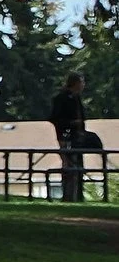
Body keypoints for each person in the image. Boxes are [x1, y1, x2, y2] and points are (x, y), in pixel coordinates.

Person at [48, 73, 99, 202]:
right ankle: (68, 196)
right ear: (75, 83)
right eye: (81, 82)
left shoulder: (76, 98)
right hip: (66, 136)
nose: (83, 85)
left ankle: (78, 195)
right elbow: (56, 119)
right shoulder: (62, 98)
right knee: (69, 165)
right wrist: (71, 123)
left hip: (77, 136)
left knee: (79, 164)